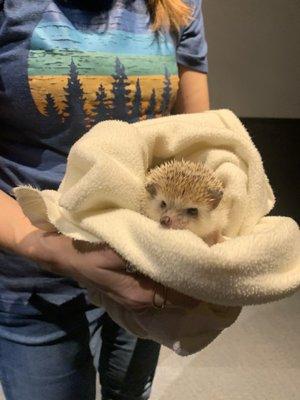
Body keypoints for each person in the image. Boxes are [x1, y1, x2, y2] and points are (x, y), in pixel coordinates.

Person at [0, 0, 209, 399]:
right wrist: (53, 250)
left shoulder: (180, 5)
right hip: (33, 282)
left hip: (147, 260)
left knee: (130, 390)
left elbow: (196, 137)